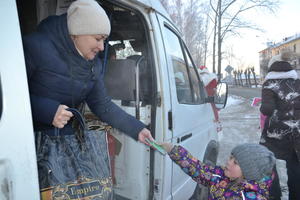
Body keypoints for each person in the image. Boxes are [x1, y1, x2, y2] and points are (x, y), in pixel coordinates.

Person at [22, 0, 153, 177]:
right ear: (77, 32)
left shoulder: (93, 65)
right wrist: (47, 111)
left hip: (64, 143)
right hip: (27, 145)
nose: (101, 47)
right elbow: (8, 96)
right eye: (98, 39)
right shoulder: (34, 46)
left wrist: (137, 128)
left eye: (104, 40)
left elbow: (103, 105)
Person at [161, 143, 276, 199]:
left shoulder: (251, 197)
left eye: (235, 163)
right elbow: (199, 169)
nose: (228, 162)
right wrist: (173, 150)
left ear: (248, 173)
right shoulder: (221, 176)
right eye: (231, 157)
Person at [260, 51, 300, 200]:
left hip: (276, 136)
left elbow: (267, 110)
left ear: (272, 68)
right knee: (295, 170)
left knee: (273, 169)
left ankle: (274, 196)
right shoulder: (298, 82)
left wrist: (262, 106)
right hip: (297, 134)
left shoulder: (269, 84)